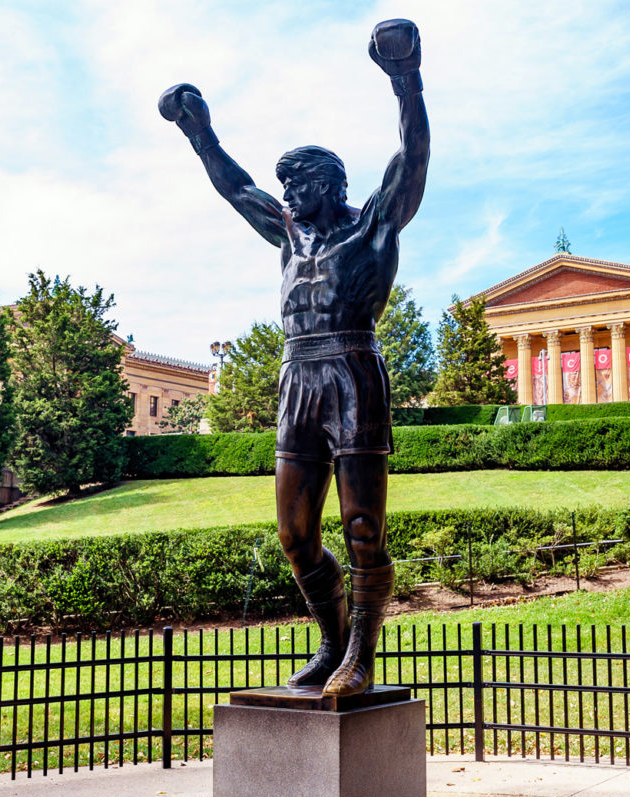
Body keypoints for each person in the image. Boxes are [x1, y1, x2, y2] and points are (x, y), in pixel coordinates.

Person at [159, 19, 429, 697]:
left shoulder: (373, 224)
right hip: (295, 376)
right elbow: (234, 187)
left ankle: (360, 659)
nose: (286, 194)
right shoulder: (287, 234)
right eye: (285, 185)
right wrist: (200, 134)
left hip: (351, 372)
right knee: (293, 536)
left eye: (299, 182)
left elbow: (413, 156)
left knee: (362, 527)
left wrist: (405, 79)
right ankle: (332, 644)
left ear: (329, 184)